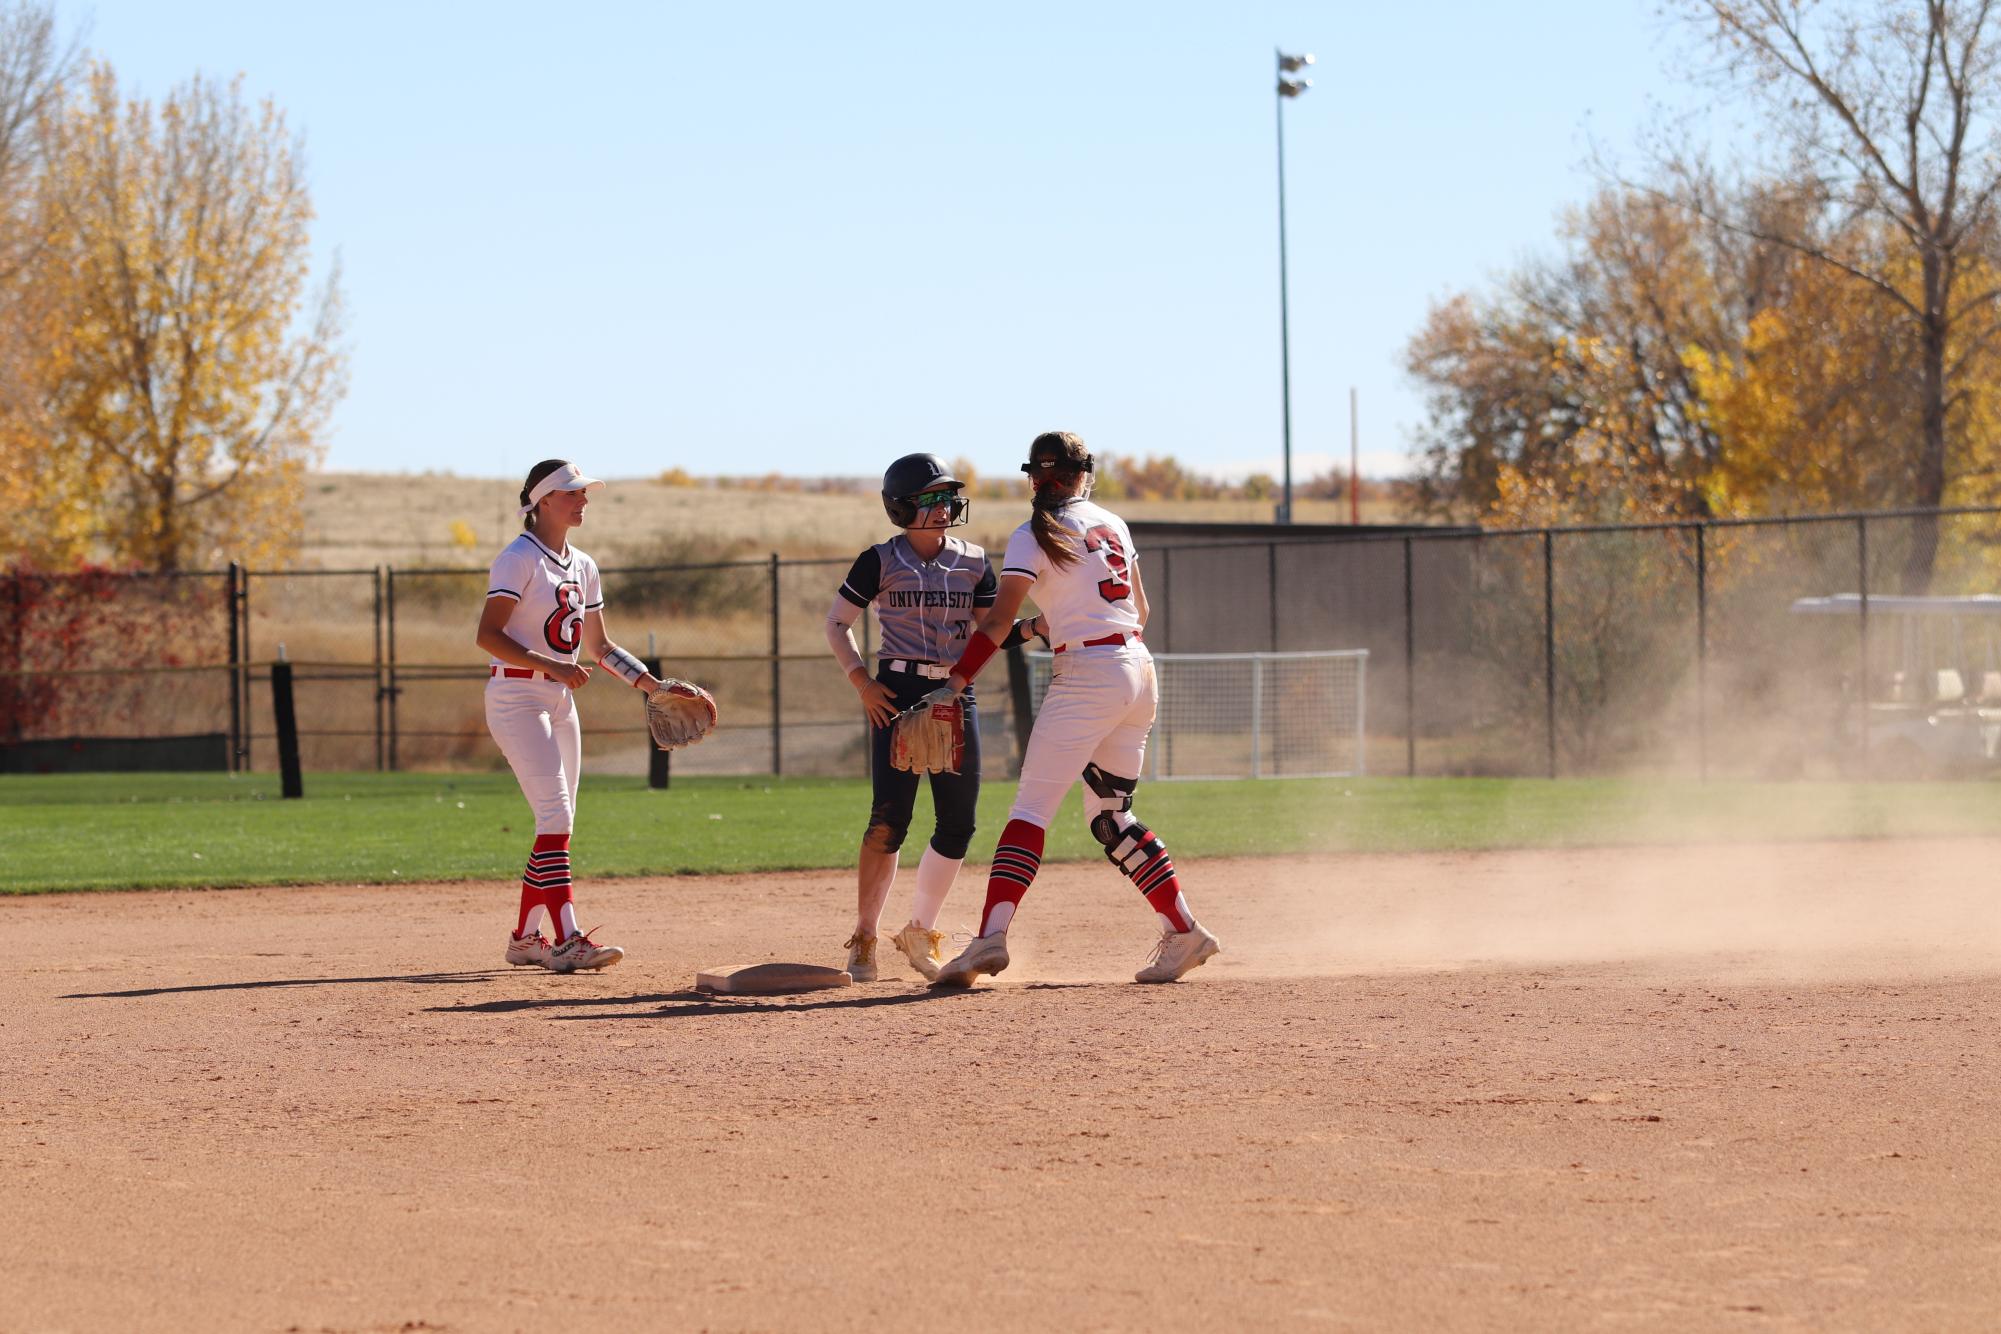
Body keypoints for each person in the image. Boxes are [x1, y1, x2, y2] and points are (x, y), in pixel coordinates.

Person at [927, 431, 1220, 987]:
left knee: (1032, 808)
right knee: (1109, 816)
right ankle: (1183, 930)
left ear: (1033, 478)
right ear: (1084, 474)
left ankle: (990, 938)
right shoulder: (1113, 522)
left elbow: (994, 622)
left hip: (1087, 674)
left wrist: (956, 679)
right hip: (1137, 668)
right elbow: (1142, 608)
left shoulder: (1030, 534)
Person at [476, 459, 666, 973]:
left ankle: (524, 939)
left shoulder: (582, 564)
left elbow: (600, 647)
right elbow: (488, 636)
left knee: (557, 824)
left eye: (584, 493)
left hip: (560, 701)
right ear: (541, 502)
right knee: (555, 818)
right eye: (571, 493)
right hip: (516, 698)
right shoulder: (517, 558)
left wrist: (652, 686)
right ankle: (567, 939)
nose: (582, 501)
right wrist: (550, 664)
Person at [824, 453, 997, 981]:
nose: (944, 506)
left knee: (959, 821)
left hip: (952, 691)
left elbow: (992, 632)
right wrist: (862, 682)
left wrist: (1035, 628)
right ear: (902, 508)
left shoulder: (974, 561)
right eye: (930, 499)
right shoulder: (878, 560)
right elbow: (837, 624)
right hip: (893, 692)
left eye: (946, 496)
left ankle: (920, 930)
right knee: (889, 818)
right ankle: (865, 934)